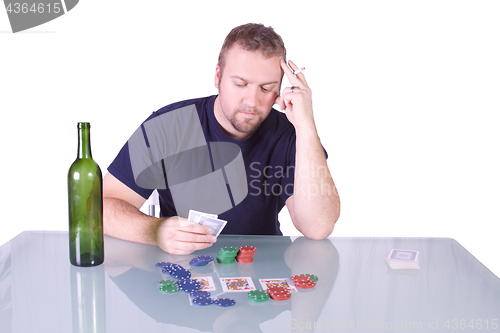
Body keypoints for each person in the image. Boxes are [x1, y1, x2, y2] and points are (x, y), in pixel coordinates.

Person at [103, 23, 340, 255]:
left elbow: (318, 227)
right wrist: (154, 232)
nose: (251, 101)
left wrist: (306, 125)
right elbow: (100, 206)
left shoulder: (292, 135)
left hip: (261, 267)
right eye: (240, 84)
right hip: (182, 267)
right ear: (218, 77)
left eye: (266, 89)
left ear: (280, 90)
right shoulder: (167, 126)